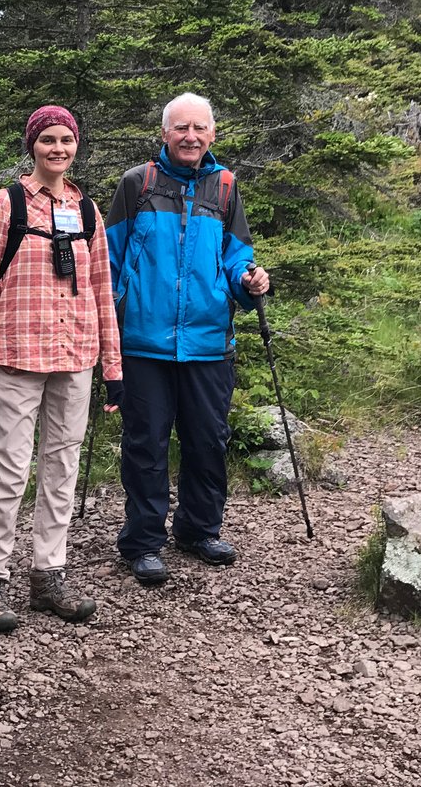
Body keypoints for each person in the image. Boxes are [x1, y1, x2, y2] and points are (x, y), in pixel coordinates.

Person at [0, 105, 124, 632]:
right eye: (48, 140)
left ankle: (48, 575)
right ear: (32, 145)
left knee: (62, 470)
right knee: (8, 473)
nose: (58, 149)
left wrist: (113, 367)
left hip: (76, 357)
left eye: (66, 140)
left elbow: (102, 292)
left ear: (77, 145)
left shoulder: (89, 211)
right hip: (14, 356)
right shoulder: (4, 204)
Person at [105, 93, 270, 585]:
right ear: (165, 134)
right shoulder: (137, 184)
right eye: (181, 128)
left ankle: (198, 530)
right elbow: (109, 262)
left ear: (212, 135)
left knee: (207, 440)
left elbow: (237, 254)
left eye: (199, 128)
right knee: (146, 444)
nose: (190, 136)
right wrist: (106, 332)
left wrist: (249, 280)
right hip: (143, 341)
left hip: (208, 342)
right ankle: (143, 541)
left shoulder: (224, 187)